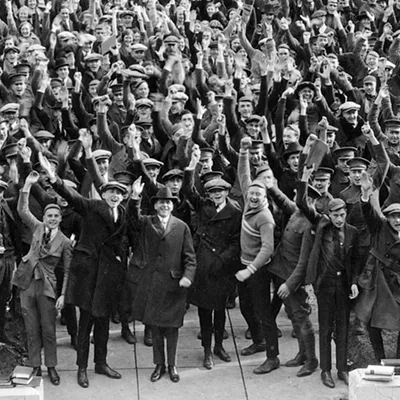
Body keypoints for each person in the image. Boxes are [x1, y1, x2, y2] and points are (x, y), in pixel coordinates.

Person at [38, 152, 128, 389]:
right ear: (104, 193)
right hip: (89, 274)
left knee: (103, 323)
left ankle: (101, 363)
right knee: (85, 323)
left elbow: (127, 237)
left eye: (119, 193)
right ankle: (82, 368)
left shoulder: (124, 214)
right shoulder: (91, 206)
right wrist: (53, 177)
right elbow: (71, 195)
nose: (115, 196)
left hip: (108, 274)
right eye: (111, 192)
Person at [128, 181, 196, 383]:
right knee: (155, 328)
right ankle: (159, 365)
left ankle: (172, 365)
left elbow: (190, 257)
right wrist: (134, 198)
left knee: (173, 328)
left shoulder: (181, 227)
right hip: (152, 284)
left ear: (172, 206)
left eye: (168, 202)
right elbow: (132, 219)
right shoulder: (146, 223)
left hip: (174, 286)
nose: (165, 206)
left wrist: (187, 276)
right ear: (155, 205)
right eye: (161, 203)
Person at [299, 166, 361, 388]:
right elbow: (301, 204)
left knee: (343, 328)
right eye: (335, 215)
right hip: (324, 286)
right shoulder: (322, 226)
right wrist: (303, 180)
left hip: (343, 287)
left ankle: (342, 368)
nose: (339, 219)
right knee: (325, 328)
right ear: (329, 215)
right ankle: (325, 370)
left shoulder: (352, 231)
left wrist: (354, 282)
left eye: (342, 215)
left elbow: (355, 261)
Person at [12, 170, 73, 386]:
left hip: (47, 287)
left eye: (56, 216)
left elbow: (67, 271)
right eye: (50, 216)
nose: (53, 219)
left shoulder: (65, 242)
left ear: (60, 219)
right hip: (26, 282)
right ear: (44, 218)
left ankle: (52, 367)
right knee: (31, 327)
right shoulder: (37, 227)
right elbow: (22, 210)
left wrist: (63, 295)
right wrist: (27, 185)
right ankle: (35, 365)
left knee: (48, 330)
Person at [183, 151, 242, 370]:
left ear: (227, 192)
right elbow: (187, 191)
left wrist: (224, 260)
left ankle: (219, 346)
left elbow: (236, 242)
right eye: (213, 191)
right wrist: (192, 166)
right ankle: (207, 350)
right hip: (204, 265)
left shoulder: (235, 212)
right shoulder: (203, 207)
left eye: (221, 191)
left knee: (220, 311)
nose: (217, 194)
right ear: (208, 193)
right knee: (204, 312)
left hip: (223, 267)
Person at [235, 137, 279, 375]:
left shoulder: (265, 218)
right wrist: (243, 151)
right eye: (250, 193)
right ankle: (259, 340)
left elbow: (267, 250)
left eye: (257, 195)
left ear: (265, 198)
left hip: (258, 270)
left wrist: (250, 270)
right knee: (245, 308)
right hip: (245, 266)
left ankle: (273, 356)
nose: (252, 197)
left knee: (264, 314)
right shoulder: (247, 200)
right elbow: (243, 175)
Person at [356, 172, 400, 362]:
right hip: (380, 280)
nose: (398, 221)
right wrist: (366, 195)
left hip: (398, 283)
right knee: (372, 322)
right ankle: (379, 357)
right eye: (394, 217)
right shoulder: (380, 227)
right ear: (388, 218)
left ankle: (398, 360)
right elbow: (369, 214)